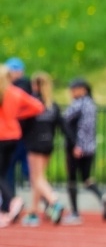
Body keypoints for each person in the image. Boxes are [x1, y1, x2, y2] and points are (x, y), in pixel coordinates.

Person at [61, 77, 106, 225]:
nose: (71, 92)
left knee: (72, 179)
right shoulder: (91, 104)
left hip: (77, 147)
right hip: (90, 148)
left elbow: (66, 121)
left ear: (83, 90)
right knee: (87, 178)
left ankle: (75, 213)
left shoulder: (78, 105)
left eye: (74, 89)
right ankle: (102, 196)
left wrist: (76, 145)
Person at [21, 71, 67, 227]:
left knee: (37, 178)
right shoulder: (52, 105)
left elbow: (24, 123)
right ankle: (33, 212)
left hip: (34, 143)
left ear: (35, 85)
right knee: (38, 178)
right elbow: (61, 124)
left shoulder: (33, 103)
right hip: (48, 143)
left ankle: (54, 201)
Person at [0, 64, 44, 228]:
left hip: (1, 136)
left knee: (1, 174)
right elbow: (38, 106)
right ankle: (4, 211)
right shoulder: (15, 92)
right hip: (14, 136)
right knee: (3, 174)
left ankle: (12, 201)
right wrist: (18, 115)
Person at [3, 57, 33, 193]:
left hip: (11, 136)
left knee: (8, 170)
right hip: (22, 134)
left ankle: (10, 199)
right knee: (27, 170)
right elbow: (36, 107)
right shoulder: (26, 86)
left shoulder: (13, 89)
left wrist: (16, 115)